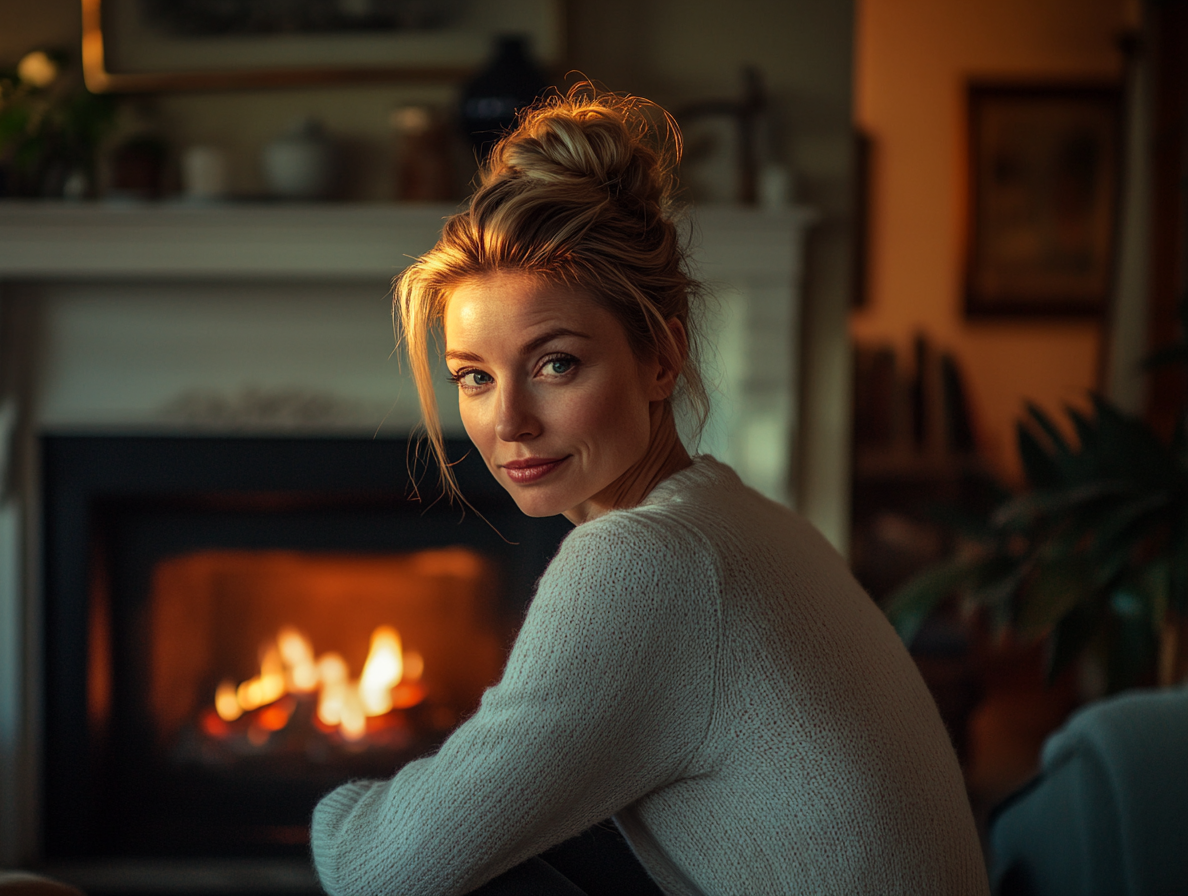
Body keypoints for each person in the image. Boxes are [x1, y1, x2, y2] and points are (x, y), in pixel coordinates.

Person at [310, 88, 988, 896]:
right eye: (474, 378)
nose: (510, 422)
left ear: (661, 360)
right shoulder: (737, 516)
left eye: (555, 363)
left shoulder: (643, 560)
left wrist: (327, 811)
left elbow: (379, 873)